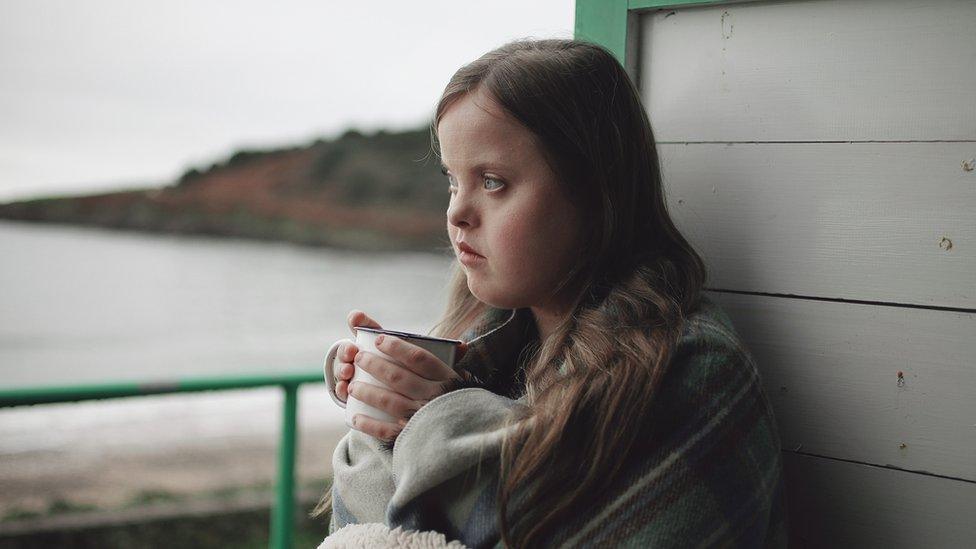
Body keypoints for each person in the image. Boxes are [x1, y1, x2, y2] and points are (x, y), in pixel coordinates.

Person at [314, 38, 787, 548]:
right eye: (453, 180)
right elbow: (367, 525)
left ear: (594, 193)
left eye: (492, 182)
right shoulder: (482, 344)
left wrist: (433, 420)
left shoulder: (694, 370)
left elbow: (532, 529)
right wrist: (380, 410)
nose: (457, 213)